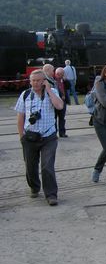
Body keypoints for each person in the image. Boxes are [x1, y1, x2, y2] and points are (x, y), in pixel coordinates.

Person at [15, 69, 64, 205]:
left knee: (47, 166)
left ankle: (51, 195)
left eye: (38, 80)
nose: (35, 83)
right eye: (33, 81)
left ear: (44, 81)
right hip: (30, 137)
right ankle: (34, 187)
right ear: (30, 82)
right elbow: (20, 118)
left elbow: (60, 106)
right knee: (30, 166)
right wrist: (21, 138)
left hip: (49, 136)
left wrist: (49, 90)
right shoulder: (25, 95)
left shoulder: (52, 92)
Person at [54, 67, 68, 138]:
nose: (63, 75)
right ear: (57, 74)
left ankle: (62, 133)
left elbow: (69, 87)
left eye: (63, 74)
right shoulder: (53, 81)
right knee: (54, 118)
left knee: (62, 118)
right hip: (55, 102)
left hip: (63, 101)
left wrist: (66, 80)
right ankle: (54, 134)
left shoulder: (63, 80)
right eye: (61, 74)